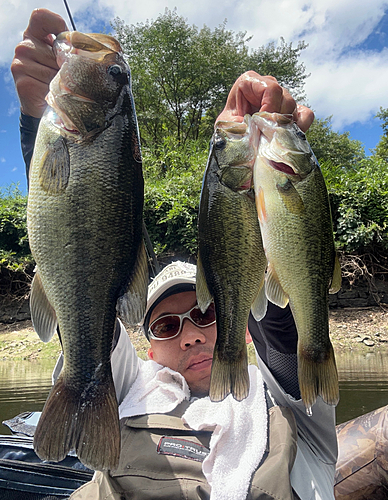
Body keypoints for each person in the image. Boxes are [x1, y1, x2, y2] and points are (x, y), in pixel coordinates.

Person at [11, 9, 336, 500]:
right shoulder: (124, 387)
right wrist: (37, 123)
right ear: (146, 346)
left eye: (204, 313)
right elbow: (77, 255)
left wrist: (256, 173)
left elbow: (282, 327)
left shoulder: (288, 408)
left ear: (236, 324)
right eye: (166, 324)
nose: (189, 337)